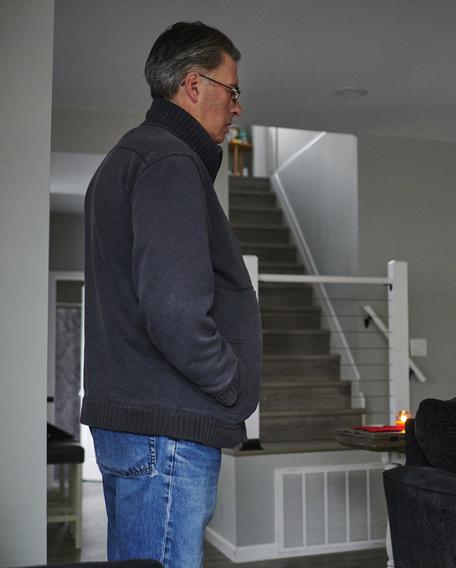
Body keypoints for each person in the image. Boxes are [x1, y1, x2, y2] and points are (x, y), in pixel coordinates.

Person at [81, 21, 261, 567]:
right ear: (192, 84)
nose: (237, 109)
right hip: (167, 433)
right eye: (232, 91)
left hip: (139, 427)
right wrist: (230, 383)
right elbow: (174, 310)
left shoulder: (131, 157)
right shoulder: (169, 161)